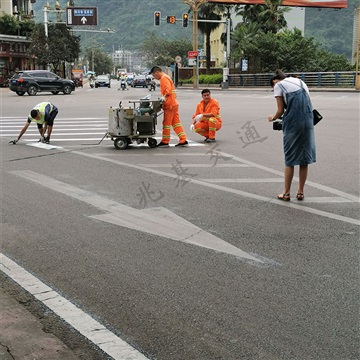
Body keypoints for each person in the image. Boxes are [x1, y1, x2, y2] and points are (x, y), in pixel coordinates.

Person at [268, 70, 316, 201]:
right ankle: (300, 192)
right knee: (304, 159)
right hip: (308, 122)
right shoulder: (301, 82)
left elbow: (280, 110)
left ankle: (286, 193)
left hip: (293, 124)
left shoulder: (279, 86)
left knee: (289, 159)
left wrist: (272, 118)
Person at [149, 66, 188, 147]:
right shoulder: (166, 77)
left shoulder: (164, 78)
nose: (154, 77)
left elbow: (168, 90)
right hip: (173, 104)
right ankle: (183, 139)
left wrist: (164, 97)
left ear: (157, 72)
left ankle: (165, 141)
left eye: (154, 75)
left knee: (166, 124)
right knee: (176, 123)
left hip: (169, 105)